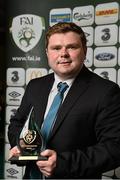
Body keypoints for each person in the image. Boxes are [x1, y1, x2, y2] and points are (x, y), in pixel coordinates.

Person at [8, 22, 120, 179]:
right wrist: (20, 145)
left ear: (85, 51)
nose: (63, 54)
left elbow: (114, 148)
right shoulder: (35, 86)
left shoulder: (106, 91)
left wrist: (62, 163)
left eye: (72, 47)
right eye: (56, 48)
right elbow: (17, 123)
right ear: (47, 52)